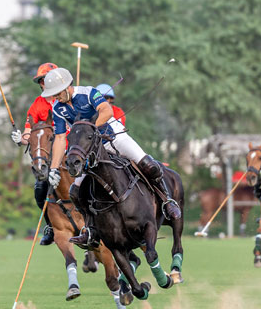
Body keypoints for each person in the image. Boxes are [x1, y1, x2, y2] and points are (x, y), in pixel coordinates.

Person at [42, 67, 181, 248]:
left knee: (149, 166)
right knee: (75, 192)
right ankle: (90, 230)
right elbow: (60, 138)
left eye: (57, 93)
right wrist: (53, 169)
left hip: (114, 138)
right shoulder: (58, 108)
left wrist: (90, 129)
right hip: (91, 151)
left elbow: (106, 111)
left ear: (67, 86)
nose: (55, 97)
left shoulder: (89, 93)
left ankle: (168, 201)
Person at [10, 62, 58, 245]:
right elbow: (28, 133)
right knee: (39, 191)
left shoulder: (67, 99)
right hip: (49, 156)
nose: (45, 83)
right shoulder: (37, 105)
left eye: (48, 79)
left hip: (70, 149)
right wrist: (20, 139)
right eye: (42, 81)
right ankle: (51, 226)